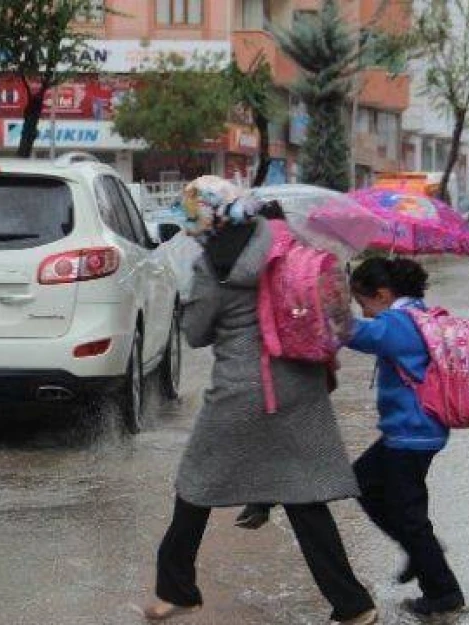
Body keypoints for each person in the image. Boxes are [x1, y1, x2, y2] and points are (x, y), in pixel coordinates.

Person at [140, 182, 378, 625]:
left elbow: (195, 335)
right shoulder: (289, 239)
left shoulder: (214, 263)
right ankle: (354, 605)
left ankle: (177, 591)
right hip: (302, 383)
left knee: (194, 486)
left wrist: (191, 290)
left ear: (204, 217)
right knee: (304, 495)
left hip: (240, 389)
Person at [344, 257, 465, 618]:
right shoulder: (418, 314)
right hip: (413, 431)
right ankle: (418, 551)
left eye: (363, 304)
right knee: (362, 481)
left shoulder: (398, 322)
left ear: (382, 294)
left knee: (410, 516)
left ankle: (443, 592)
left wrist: (327, 307)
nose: (364, 312)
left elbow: (356, 334)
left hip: (410, 435)